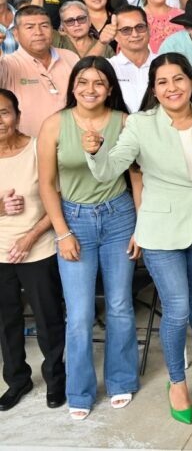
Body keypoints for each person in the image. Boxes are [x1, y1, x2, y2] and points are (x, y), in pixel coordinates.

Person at [83, 53, 192, 424]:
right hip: (161, 231)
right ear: (154, 88)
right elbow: (110, 169)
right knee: (178, 307)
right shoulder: (140, 124)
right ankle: (178, 380)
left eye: (179, 79)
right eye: (163, 82)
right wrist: (95, 152)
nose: (172, 88)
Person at [37, 57, 139, 420]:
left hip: (119, 217)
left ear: (110, 88)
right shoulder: (54, 125)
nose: (90, 89)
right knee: (79, 314)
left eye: (98, 83)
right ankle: (79, 391)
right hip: (74, 221)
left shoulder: (125, 123)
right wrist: (62, 232)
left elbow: (136, 178)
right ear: (73, 86)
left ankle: (122, 378)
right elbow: (47, 184)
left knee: (119, 306)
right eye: (83, 82)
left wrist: (140, 227)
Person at [0, 89, 65, 412]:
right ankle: (16, 380)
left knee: (48, 316)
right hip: (0, 253)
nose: (0, 121)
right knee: (6, 320)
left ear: (17, 115)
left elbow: (58, 194)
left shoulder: (37, 148)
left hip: (37, 246)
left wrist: (30, 237)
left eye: (4, 112)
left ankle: (55, 380)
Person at [0, 5, 79, 136]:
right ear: (16, 34)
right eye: (30, 27)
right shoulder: (8, 65)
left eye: (44, 26)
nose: (38, 32)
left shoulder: (71, 57)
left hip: (72, 143)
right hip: (29, 148)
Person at [109, 6, 156, 113]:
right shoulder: (110, 67)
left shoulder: (164, 64)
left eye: (140, 27)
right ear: (115, 35)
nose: (135, 34)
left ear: (149, 29)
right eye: (126, 30)